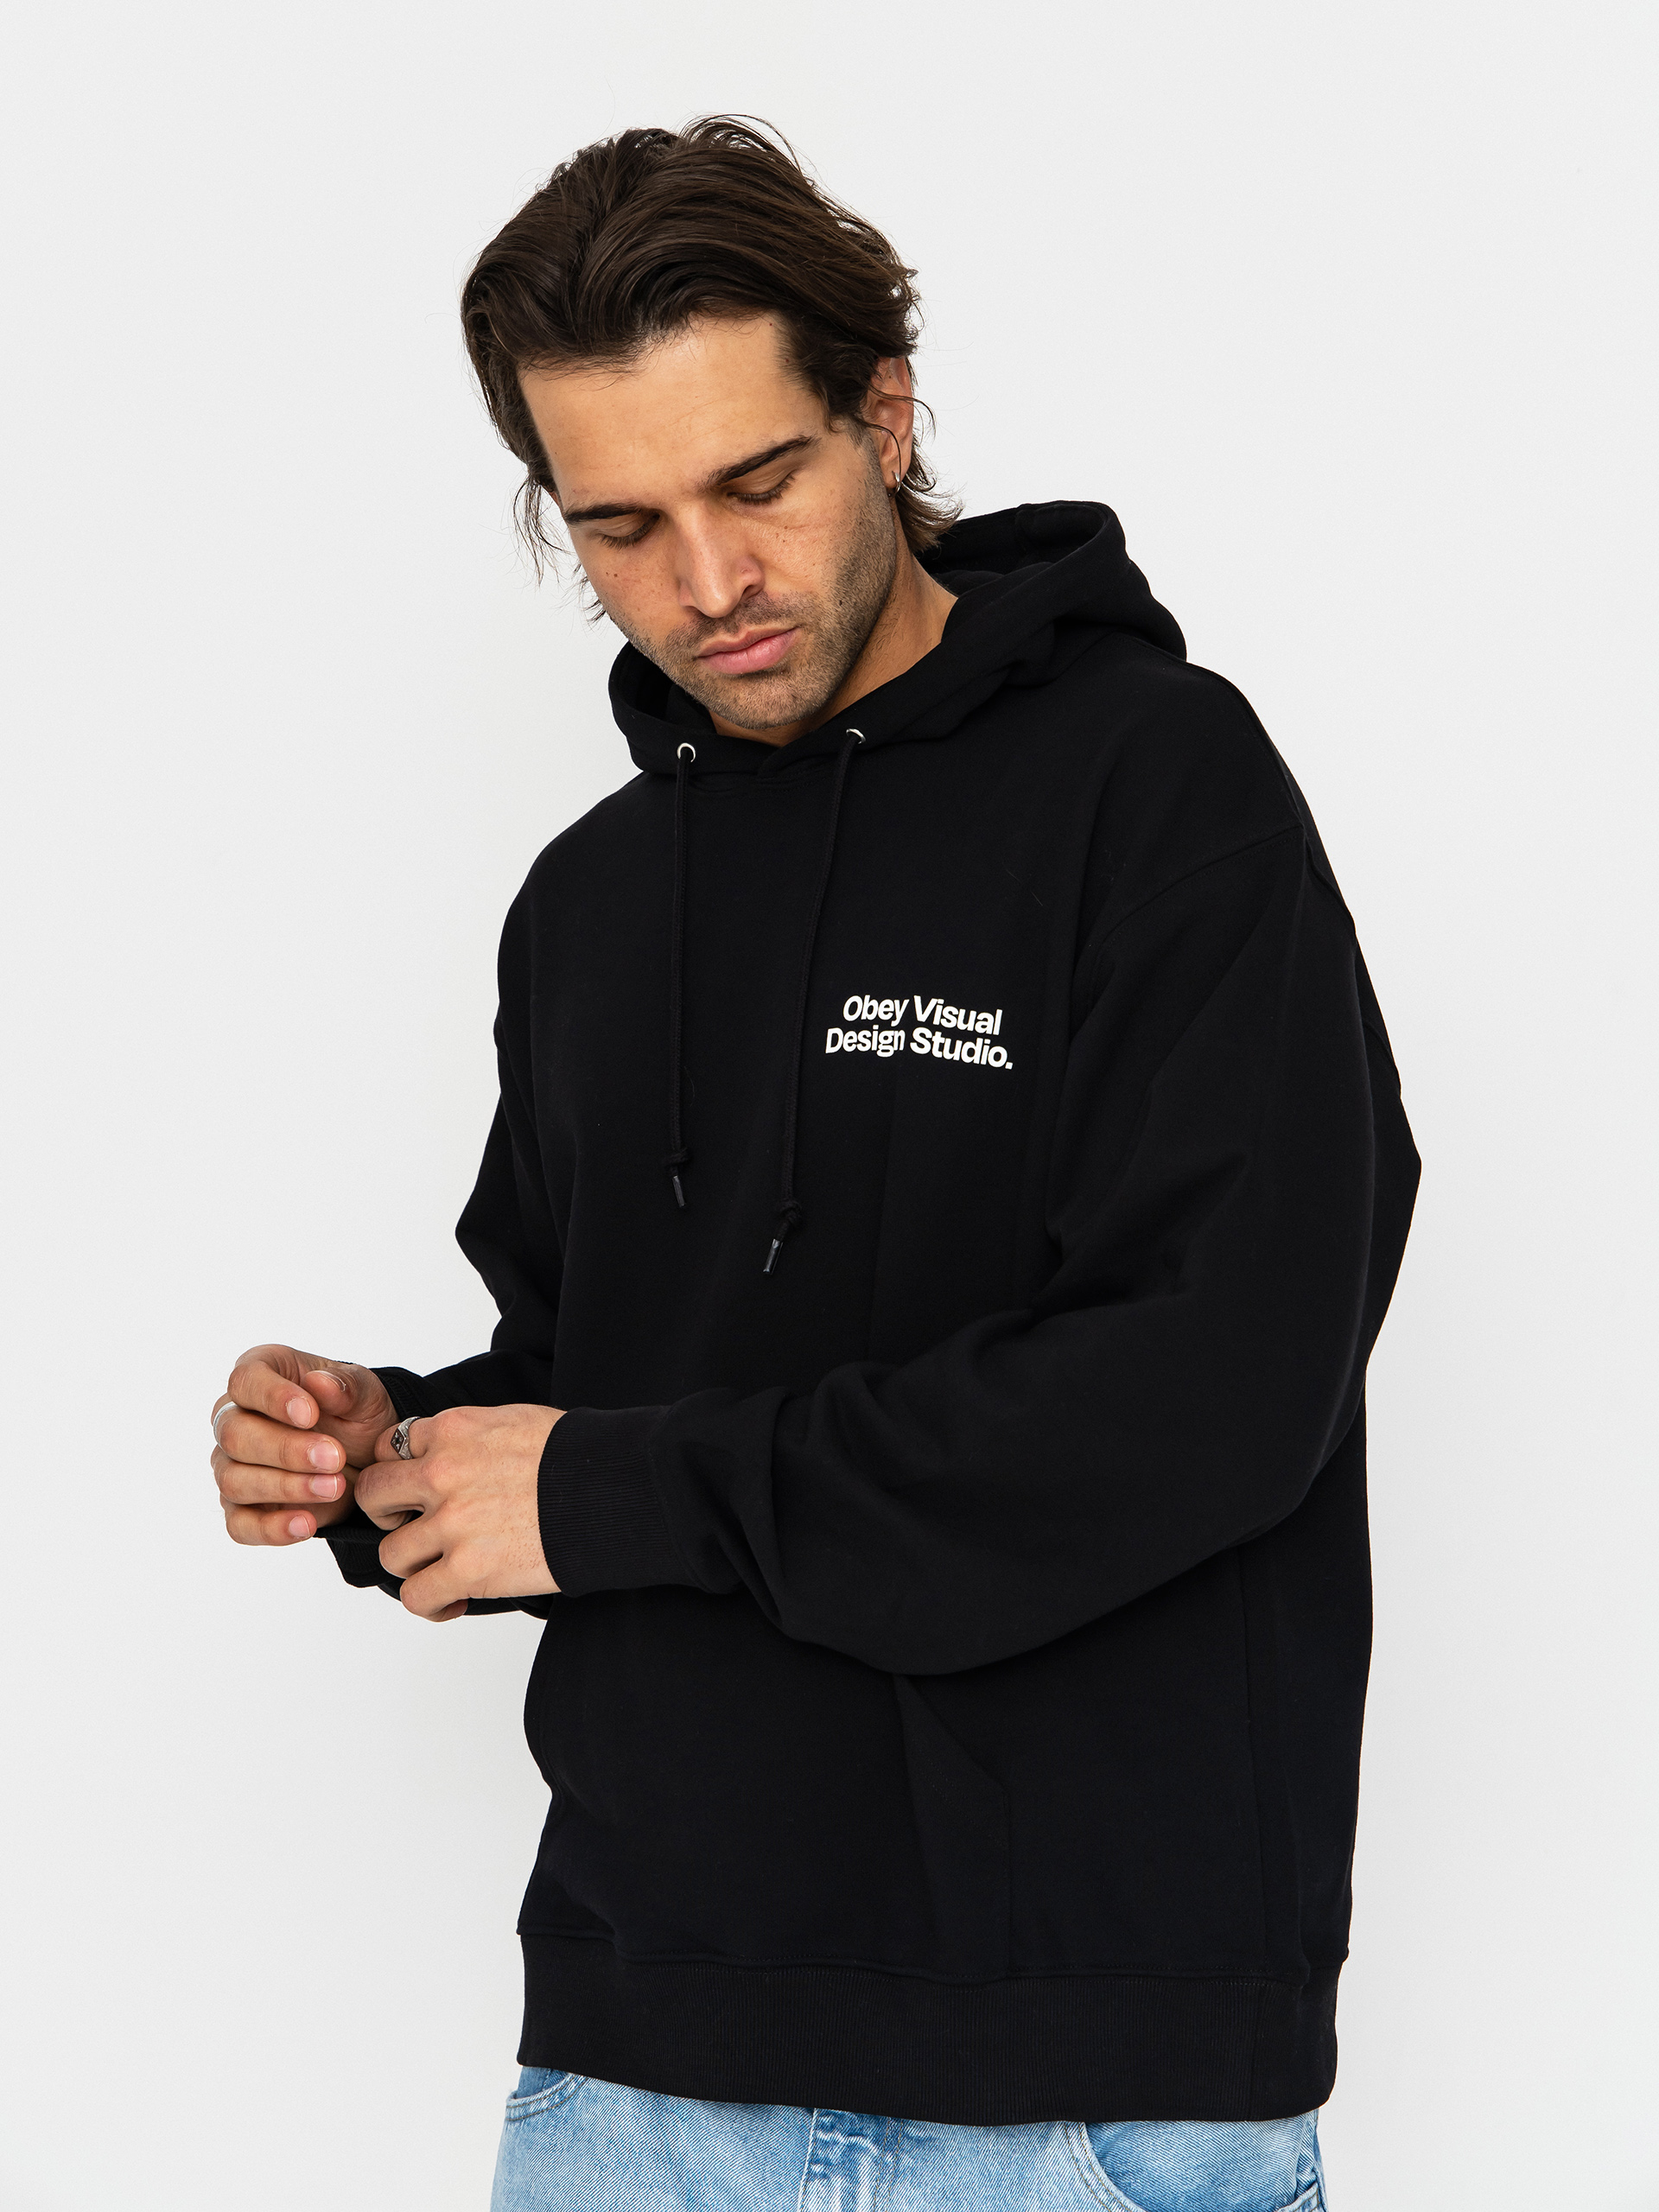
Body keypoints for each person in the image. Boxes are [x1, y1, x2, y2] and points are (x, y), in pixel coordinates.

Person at [209, 118, 1418, 2211]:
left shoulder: (1159, 791)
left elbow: (1217, 1388)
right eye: (620, 524)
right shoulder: (592, 904)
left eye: (756, 482)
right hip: (633, 2079)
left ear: (885, 413)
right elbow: (601, 1391)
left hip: (1078, 2098)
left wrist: (611, 1487)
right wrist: (390, 1448)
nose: (708, 584)